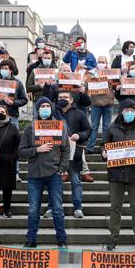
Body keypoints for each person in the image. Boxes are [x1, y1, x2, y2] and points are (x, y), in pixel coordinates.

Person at [19, 96, 70, 248]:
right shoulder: (30, 128)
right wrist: (36, 150)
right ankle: (31, 239)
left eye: (48, 106)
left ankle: (61, 239)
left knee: (58, 209)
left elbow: (66, 150)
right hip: (35, 175)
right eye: (43, 106)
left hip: (54, 174)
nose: (46, 108)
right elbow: (21, 151)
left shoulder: (59, 127)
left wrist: (61, 169)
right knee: (33, 209)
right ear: (38, 109)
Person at [103, 99, 135, 251]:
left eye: (132, 110)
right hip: (116, 174)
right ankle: (113, 238)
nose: (129, 113)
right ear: (121, 111)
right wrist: (103, 153)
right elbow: (103, 145)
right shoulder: (112, 127)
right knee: (115, 207)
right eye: (127, 110)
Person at [57, 90, 91, 218]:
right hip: (55, 154)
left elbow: (88, 130)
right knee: (55, 182)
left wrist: (80, 135)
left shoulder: (79, 114)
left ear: (71, 100)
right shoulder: (54, 114)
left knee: (76, 181)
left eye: (65, 97)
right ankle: (52, 207)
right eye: (60, 97)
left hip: (74, 153)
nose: (63, 99)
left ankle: (78, 207)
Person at [0, 105, 21, 217]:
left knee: (7, 188)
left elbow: (18, 144)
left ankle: (7, 209)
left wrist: (13, 157)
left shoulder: (12, 127)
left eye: (2, 111)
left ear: (7, 114)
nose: (0, 113)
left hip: (8, 162)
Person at [85, 55, 116, 154]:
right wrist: (91, 78)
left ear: (106, 64)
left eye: (103, 62)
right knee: (94, 126)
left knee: (107, 126)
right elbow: (86, 86)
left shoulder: (111, 74)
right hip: (95, 103)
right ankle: (90, 147)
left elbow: (117, 85)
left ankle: (104, 147)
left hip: (108, 103)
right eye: (99, 62)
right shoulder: (91, 73)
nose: (101, 64)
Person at [0, 60, 28, 127]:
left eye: (6, 69)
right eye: (2, 69)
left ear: (11, 70)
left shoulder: (18, 83)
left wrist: (13, 102)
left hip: (12, 116)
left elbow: (24, 100)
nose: (3, 70)